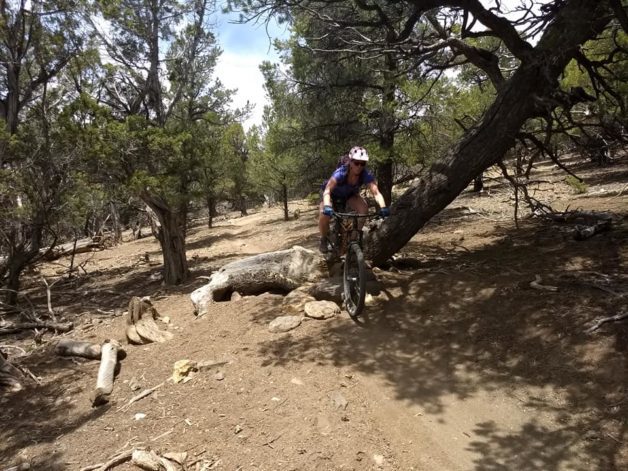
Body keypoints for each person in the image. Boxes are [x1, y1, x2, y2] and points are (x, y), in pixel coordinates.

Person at [318, 146, 390, 253]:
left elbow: (376, 192)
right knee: (324, 214)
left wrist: (383, 207)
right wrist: (328, 206)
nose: (359, 166)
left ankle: (353, 239)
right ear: (350, 162)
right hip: (330, 194)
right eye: (356, 163)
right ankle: (323, 239)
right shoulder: (341, 173)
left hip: (348, 195)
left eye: (363, 163)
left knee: (363, 208)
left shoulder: (365, 174)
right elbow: (327, 190)